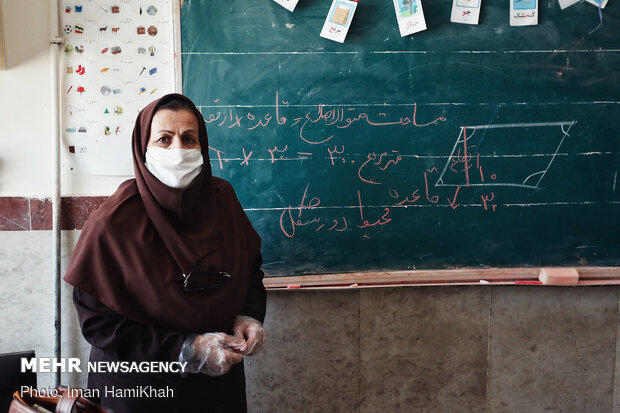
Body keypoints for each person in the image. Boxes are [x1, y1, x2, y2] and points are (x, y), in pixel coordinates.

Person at [64, 93, 266, 413]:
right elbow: (98, 322)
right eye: (164, 139)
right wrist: (187, 349)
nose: (178, 151)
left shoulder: (222, 200)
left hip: (216, 386)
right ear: (143, 147)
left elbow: (250, 269)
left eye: (189, 139)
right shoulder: (116, 220)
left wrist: (248, 315)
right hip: (140, 389)